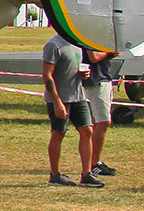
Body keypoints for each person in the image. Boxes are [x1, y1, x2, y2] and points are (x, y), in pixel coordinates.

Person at [42, 33, 101, 187]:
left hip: (78, 96)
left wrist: (83, 74)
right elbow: (47, 76)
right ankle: (55, 176)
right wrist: (57, 102)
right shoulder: (53, 45)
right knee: (58, 133)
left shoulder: (77, 43)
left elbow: (73, 69)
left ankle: (86, 174)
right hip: (61, 98)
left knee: (87, 131)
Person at [83, 48, 121, 178]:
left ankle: (93, 162)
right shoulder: (89, 37)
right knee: (103, 121)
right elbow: (93, 57)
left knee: (97, 121)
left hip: (104, 78)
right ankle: (95, 163)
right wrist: (109, 53)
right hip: (96, 81)